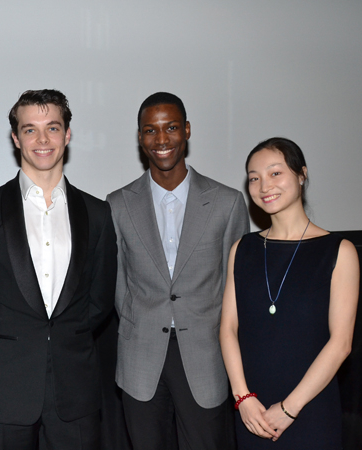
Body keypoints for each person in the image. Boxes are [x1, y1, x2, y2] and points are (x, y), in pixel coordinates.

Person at [0, 89, 117, 450]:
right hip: (3, 386)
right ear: (16, 138)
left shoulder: (98, 214)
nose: (42, 140)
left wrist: (64, 337)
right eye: (30, 130)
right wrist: (8, 336)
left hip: (76, 389)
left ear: (67, 135)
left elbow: (101, 298)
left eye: (52, 128)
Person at [106, 92, 249, 450]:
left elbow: (236, 286)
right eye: (150, 130)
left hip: (205, 356)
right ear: (140, 138)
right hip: (141, 357)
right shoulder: (117, 204)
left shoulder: (227, 202)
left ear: (186, 130)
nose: (161, 139)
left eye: (170, 127)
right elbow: (119, 284)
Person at [220, 137, 359, 449]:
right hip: (251, 412)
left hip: (310, 409)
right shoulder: (242, 249)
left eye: (275, 173)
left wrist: (288, 409)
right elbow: (228, 328)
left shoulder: (339, 251)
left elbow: (341, 344)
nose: (263, 185)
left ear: (301, 174)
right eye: (253, 178)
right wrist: (242, 397)